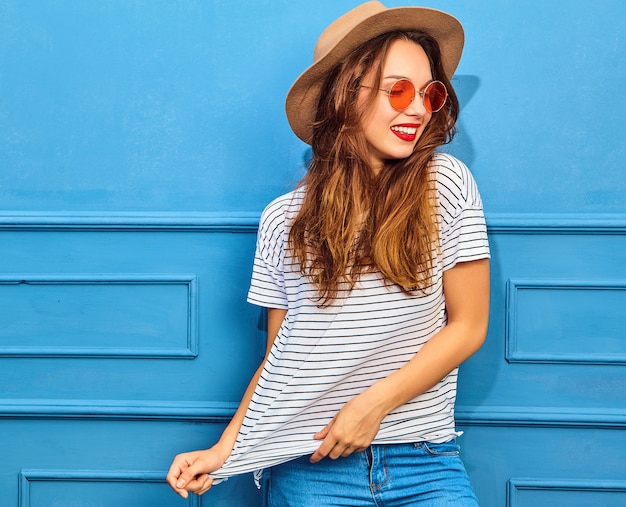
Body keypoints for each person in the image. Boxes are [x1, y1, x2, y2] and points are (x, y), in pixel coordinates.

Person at [167, 1, 490, 505]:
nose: (417, 109)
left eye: (429, 93)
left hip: (424, 460)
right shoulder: (283, 220)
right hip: (310, 467)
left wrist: (374, 405)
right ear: (344, 95)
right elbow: (281, 359)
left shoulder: (445, 185)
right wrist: (224, 450)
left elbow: (468, 325)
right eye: (397, 89)